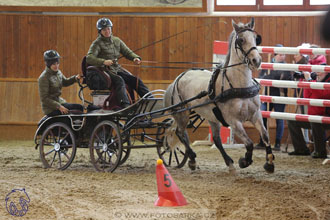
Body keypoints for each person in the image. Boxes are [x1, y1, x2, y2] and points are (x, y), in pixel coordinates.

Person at [86, 17, 150, 109]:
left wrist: (135, 58)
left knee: (135, 80)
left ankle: (149, 99)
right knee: (119, 80)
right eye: (104, 29)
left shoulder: (117, 41)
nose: (107, 31)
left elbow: (127, 52)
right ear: (100, 31)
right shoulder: (97, 43)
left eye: (108, 28)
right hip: (104, 71)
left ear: (111, 29)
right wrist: (103, 61)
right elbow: (89, 58)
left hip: (116, 69)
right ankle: (125, 105)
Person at [255, 44, 292, 151]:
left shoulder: (286, 66)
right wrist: (267, 78)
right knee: (262, 116)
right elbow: (260, 77)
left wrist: (272, 78)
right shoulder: (267, 63)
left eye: (284, 54)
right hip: (267, 94)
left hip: (280, 96)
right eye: (281, 54)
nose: (283, 57)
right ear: (275, 55)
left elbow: (287, 80)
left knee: (279, 119)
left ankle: (277, 143)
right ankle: (263, 141)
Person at [288, 67, 330, 158]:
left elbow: (321, 94)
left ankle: (320, 151)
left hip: (325, 117)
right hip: (313, 116)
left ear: (327, 73)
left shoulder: (328, 83)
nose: (317, 74)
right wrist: (307, 81)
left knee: (315, 120)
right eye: (316, 72)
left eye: (319, 72)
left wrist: (310, 80)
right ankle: (301, 149)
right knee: (292, 120)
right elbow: (306, 96)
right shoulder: (316, 82)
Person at [38, 50, 83, 117]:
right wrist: (59, 106)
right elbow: (44, 99)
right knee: (78, 108)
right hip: (50, 108)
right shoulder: (43, 78)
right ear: (48, 64)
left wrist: (75, 78)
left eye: (57, 63)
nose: (56, 66)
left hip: (59, 102)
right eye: (53, 64)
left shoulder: (58, 73)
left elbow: (65, 82)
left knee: (79, 107)